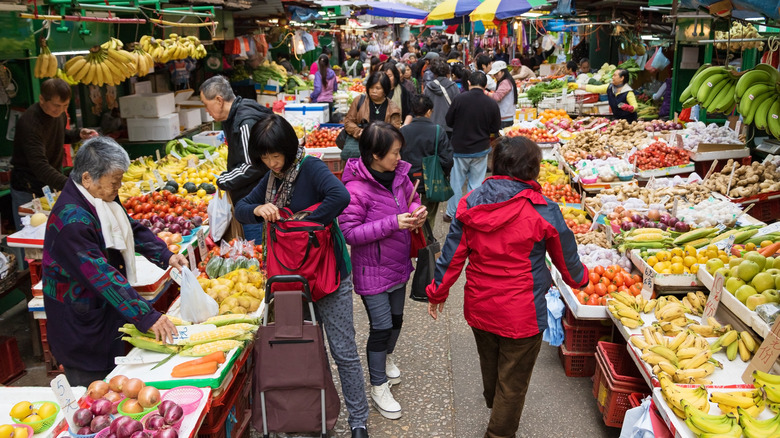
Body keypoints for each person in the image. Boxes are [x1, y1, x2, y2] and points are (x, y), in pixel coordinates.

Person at [426, 136, 589, 438]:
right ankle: (498, 431)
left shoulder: (470, 202)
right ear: (533, 169)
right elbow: (568, 260)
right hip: (522, 312)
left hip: (480, 305)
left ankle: (495, 404)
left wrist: (437, 293)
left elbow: (451, 257)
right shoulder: (544, 209)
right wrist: (581, 280)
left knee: (490, 363)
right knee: (513, 381)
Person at [234, 114, 371, 438]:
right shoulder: (269, 178)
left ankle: (358, 420)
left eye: (275, 155)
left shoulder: (310, 168)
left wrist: (299, 223)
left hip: (329, 274)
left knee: (343, 350)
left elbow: (340, 197)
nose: (271, 162)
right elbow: (241, 206)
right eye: (265, 157)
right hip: (291, 281)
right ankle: (311, 415)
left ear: (288, 147)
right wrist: (257, 210)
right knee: (303, 349)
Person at [42, 137, 187, 386]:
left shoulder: (99, 197)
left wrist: (166, 254)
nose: (118, 187)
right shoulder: (72, 221)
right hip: (80, 324)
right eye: (115, 182)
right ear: (87, 177)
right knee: (94, 392)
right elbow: (101, 275)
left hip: (104, 314)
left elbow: (128, 228)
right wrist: (147, 316)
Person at [339, 121, 425, 421]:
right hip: (372, 271)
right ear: (375, 155)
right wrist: (394, 223)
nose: (399, 158)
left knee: (397, 321)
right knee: (381, 327)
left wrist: (416, 209)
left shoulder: (399, 176)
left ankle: (387, 359)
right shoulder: (355, 189)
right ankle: (378, 387)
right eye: (394, 153)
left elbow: (410, 199)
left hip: (399, 263)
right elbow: (349, 232)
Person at [11, 78, 98, 230]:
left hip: (49, 185)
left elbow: (58, 134)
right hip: (28, 187)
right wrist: (71, 186)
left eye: (65, 105)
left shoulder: (59, 115)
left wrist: (78, 134)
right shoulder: (30, 124)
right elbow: (40, 166)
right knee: (29, 235)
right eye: (56, 105)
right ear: (42, 99)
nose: (60, 110)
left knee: (53, 233)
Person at [200, 75, 271, 242]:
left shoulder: (245, 121)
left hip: (256, 202)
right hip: (255, 199)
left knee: (259, 255)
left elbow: (252, 164)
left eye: (205, 104)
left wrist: (223, 180)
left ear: (218, 100)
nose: (206, 110)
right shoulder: (235, 115)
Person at [443, 71, 500, 223]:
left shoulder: (459, 99)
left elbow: (448, 121)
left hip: (460, 148)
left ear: (468, 83)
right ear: (485, 85)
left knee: (456, 182)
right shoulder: (491, 103)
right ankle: (472, 211)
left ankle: (451, 213)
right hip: (480, 149)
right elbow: (495, 128)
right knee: (476, 182)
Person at [400, 95, 453, 228]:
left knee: (409, 217)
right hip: (432, 182)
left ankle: (413, 245)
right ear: (429, 111)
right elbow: (447, 159)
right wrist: (442, 174)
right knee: (428, 219)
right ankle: (426, 243)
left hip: (409, 182)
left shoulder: (403, 132)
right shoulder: (438, 131)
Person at [342, 72, 402, 161]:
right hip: (360, 147)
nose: (373, 91)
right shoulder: (359, 100)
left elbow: (394, 131)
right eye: (371, 87)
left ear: (385, 89)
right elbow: (348, 121)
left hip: (381, 152)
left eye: (378, 88)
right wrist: (359, 132)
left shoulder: (393, 109)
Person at [423, 58, 459, 139]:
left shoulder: (428, 87)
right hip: (449, 127)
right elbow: (458, 106)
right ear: (447, 73)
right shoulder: (453, 86)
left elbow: (425, 107)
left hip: (432, 126)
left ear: (434, 74)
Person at [487, 61, 518, 129]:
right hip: (505, 117)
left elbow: (497, 97)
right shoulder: (506, 81)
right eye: (494, 74)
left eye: (497, 74)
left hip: (504, 119)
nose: (495, 76)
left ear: (503, 71)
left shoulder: (505, 82)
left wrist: (484, 92)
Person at [311, 54, 339, 122]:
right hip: (330, 101)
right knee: (328, 122)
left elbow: (318, 89)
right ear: (328, 63)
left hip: (320, 102)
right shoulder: (333, 73)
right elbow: (335, 88)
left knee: (320, 123)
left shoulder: (318, 74)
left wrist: (311, 96)